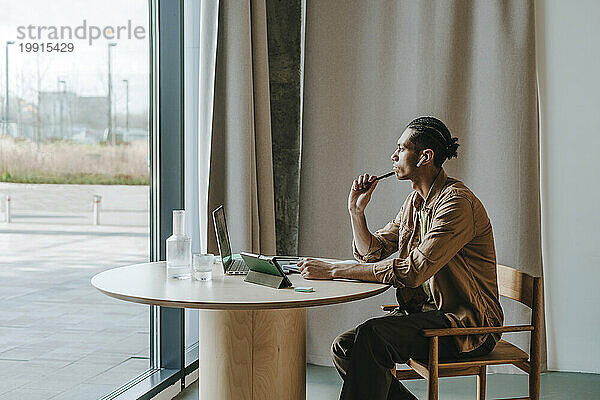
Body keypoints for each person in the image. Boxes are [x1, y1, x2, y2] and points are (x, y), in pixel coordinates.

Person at [297, 116, 504, 400]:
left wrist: (335, 270)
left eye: (401, 148)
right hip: (427, 314)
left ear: (425, 157)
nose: (393, 156)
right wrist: (356, 213)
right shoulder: (414, 203)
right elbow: (375, 251)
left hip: (467, 326)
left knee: (372, 337)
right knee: (346, 346)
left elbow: (413, 271)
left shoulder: (456, 204)